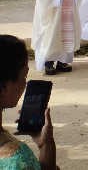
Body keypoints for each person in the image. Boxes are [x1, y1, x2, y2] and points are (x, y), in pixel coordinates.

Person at [0, 35, 57, 169]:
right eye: (24, 76)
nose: (25, 84)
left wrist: (44, 144)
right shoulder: (17, 159)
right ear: (3, 88)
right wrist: (46, 145)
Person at [32, 0, 86, 75]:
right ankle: (49, 63)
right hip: (54, 15)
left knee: (67, 36)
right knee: (52, 37)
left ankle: (63, 62)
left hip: (69, 14)